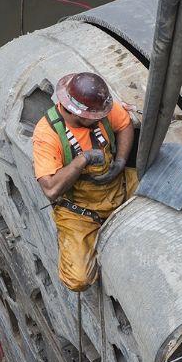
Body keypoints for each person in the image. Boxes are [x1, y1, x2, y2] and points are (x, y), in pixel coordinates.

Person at [32, 72, 138, 292]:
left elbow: (125, 125)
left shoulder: (100, 109)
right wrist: (82, 160)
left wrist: (120, 161)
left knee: (165, 185)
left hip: (119, 185)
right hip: (80, 210)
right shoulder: (47, 134)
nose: (102, 118)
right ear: (75, 111)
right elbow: (50, 189)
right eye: (95, 116)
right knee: (78, 279)